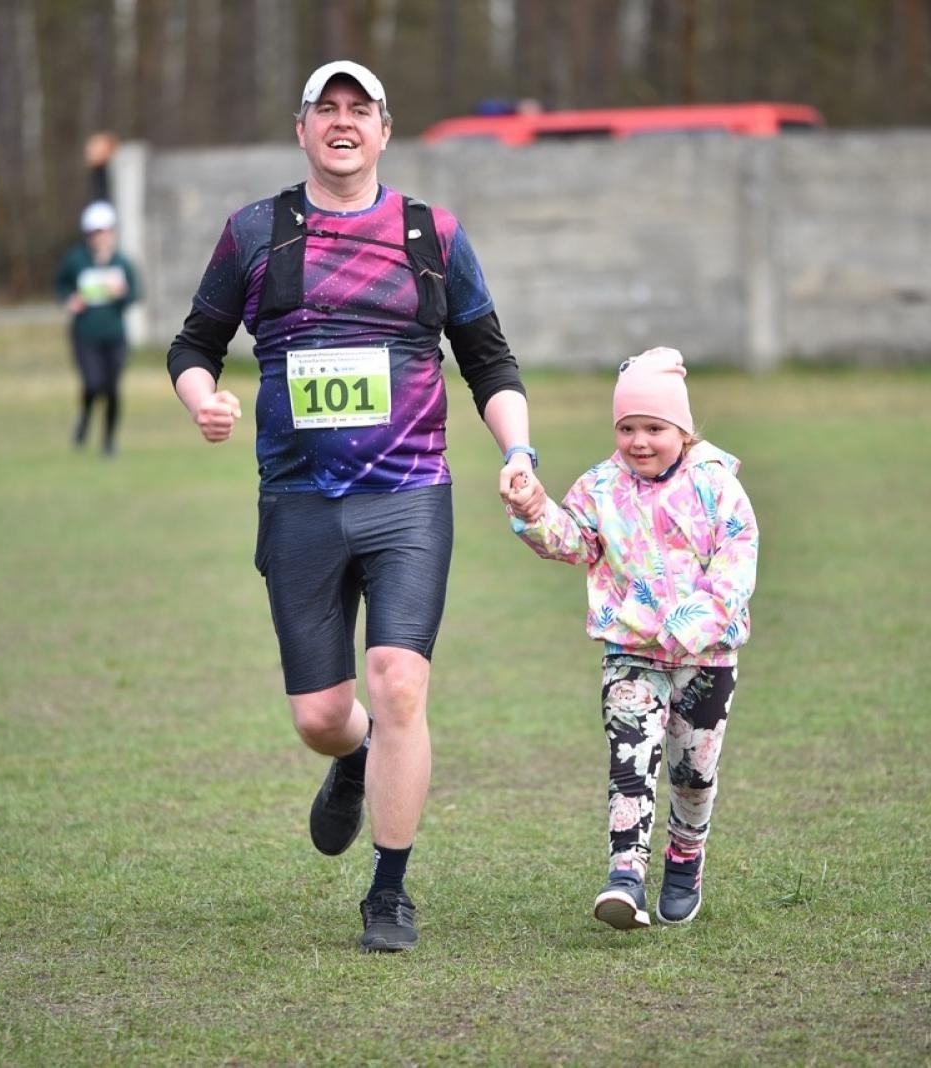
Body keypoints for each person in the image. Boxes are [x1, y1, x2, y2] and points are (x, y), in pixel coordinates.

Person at [165, 59, 540, 952]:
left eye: (358, 109)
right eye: (325, 109)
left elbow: (489, 358)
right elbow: (195, 343)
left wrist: (518, 452)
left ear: (384, 129)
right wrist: (200, 400)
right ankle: (353, 756)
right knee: (322, 717)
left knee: (400, 684)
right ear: (301, 130)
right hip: (298, 502)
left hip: (410, 497)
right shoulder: (255, 233)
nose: (342, 122)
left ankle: (390, 889)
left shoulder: (432, 235)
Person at [501, 347, 758, 930]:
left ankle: (685, 858)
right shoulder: (600, 487)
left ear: (683, 432)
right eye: (626, 428)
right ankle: (625, 876)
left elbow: (736, 568)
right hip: (631, 652)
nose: (639, 441)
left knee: (693, 769)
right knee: (630, 760)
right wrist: (534, 508)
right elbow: (571, 542)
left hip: (707, 656)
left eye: (654, 428)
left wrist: (692, 627)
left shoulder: (717, 488)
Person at [55, 200, 141, 457]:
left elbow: (134, 294)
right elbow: (61, 286)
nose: (100, 237)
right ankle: (84, 418)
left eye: (104, 231)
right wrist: (70, 300)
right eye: (95, 232)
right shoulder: (76, 260)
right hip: (85, 335)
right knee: (93, 384)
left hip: (115, 336)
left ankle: (109, 440)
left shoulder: (122, 262)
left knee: (113, 389)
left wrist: (122, 293)